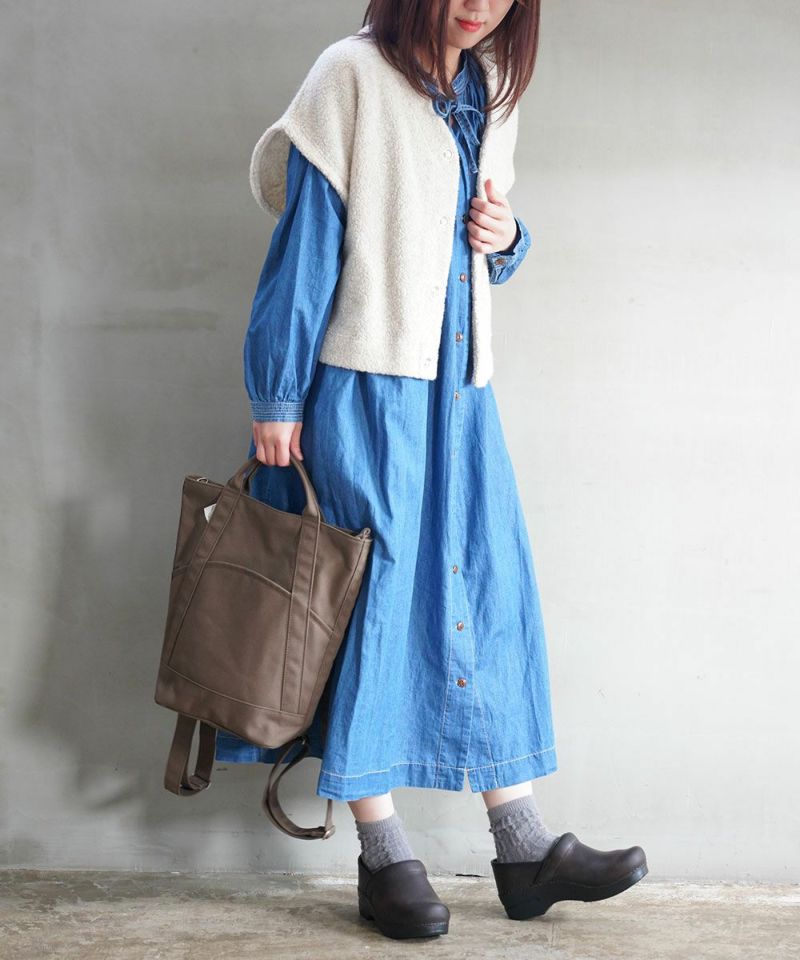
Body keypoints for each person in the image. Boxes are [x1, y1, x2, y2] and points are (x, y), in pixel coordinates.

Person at [216, 0, 648, 940]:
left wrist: (509, 237)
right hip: (369, 389)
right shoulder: (350, 76)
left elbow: (469, 254)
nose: (478, 4)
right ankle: (384, 856)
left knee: (481, 595)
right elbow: (306, 247)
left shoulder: (489, 90)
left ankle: (523, 846)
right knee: (369, 603)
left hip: (462, 392)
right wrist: (277, 394)